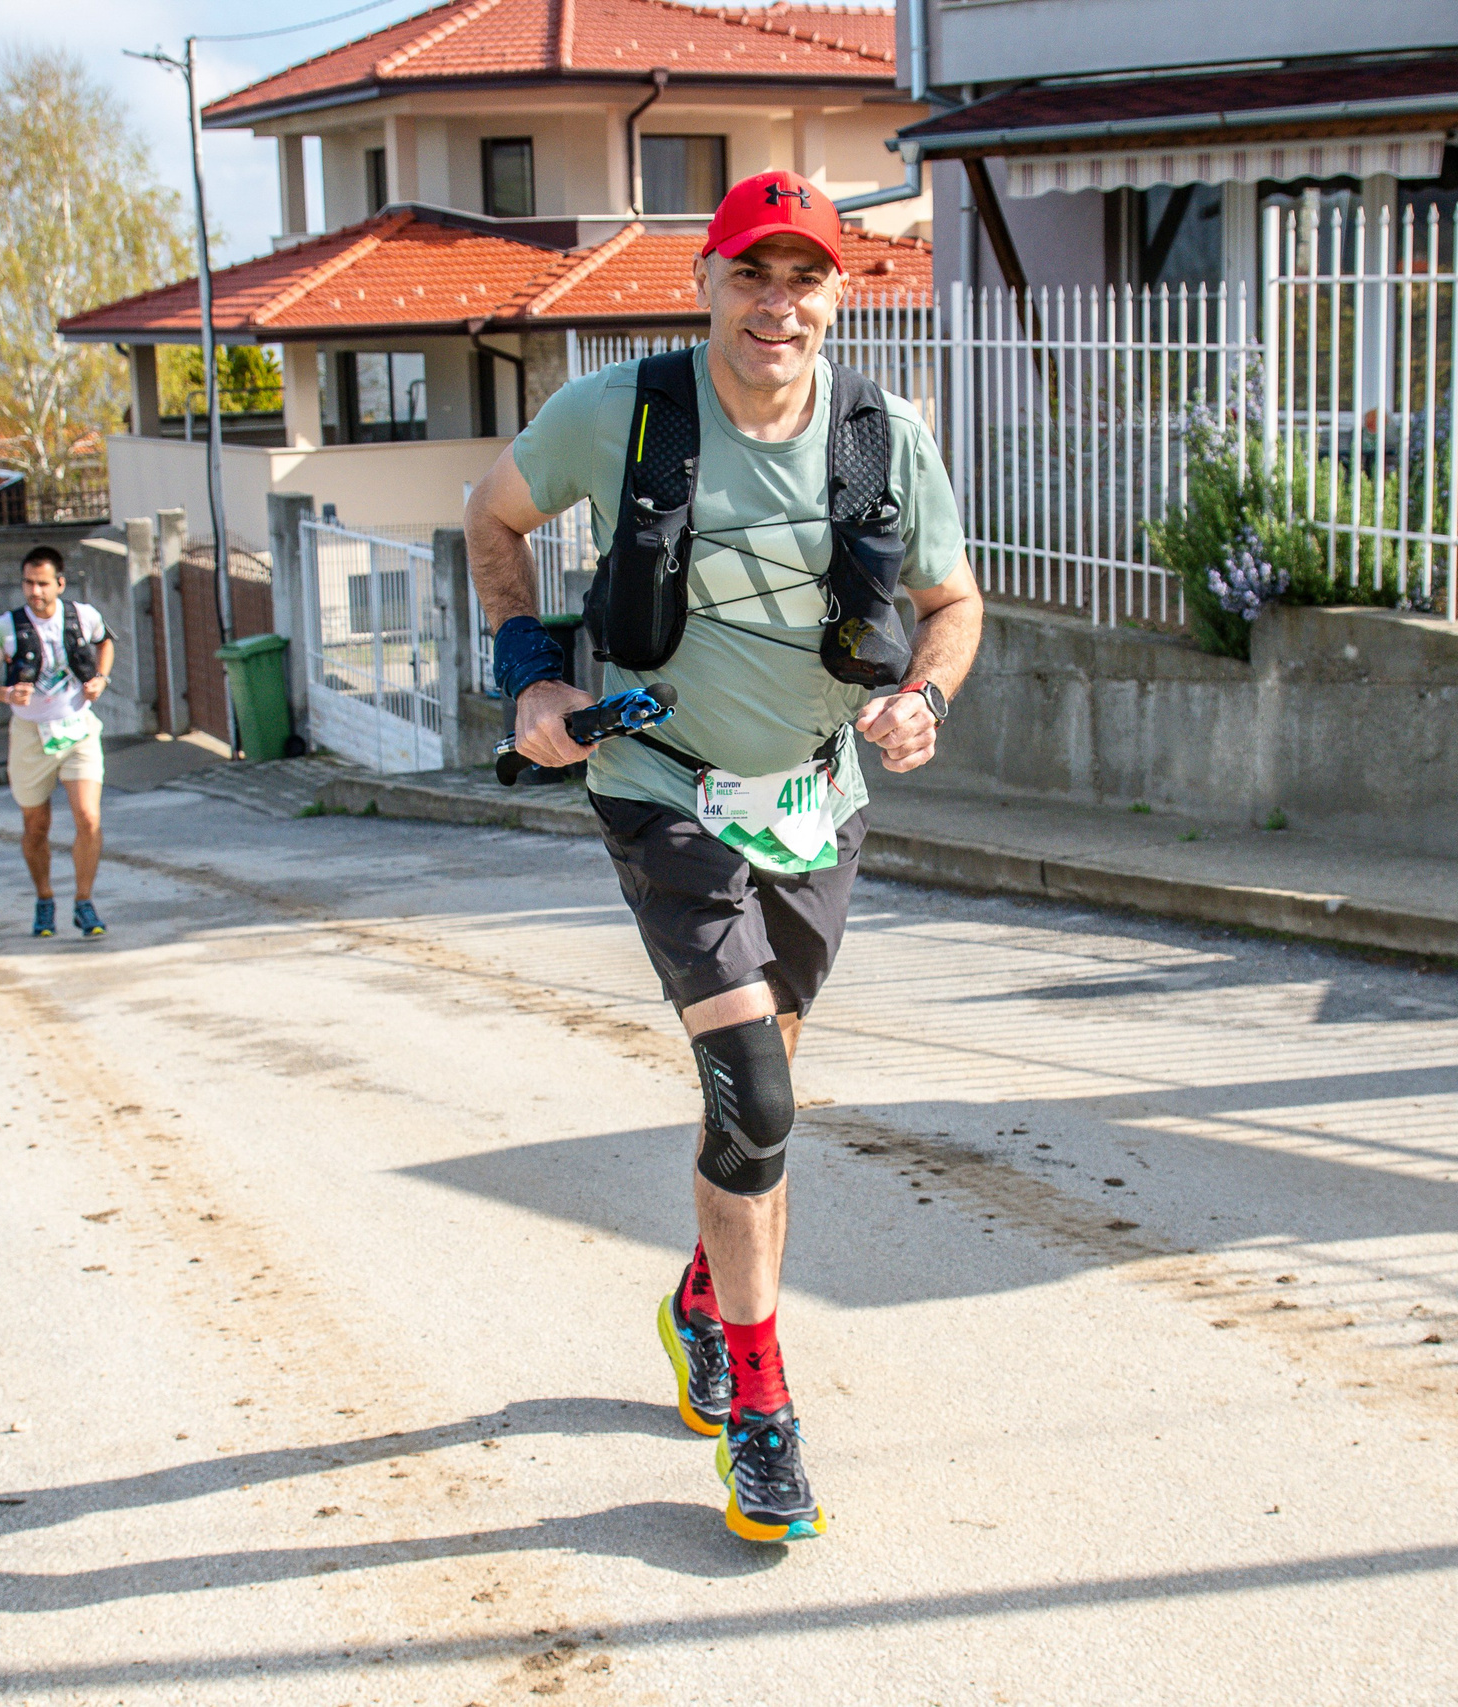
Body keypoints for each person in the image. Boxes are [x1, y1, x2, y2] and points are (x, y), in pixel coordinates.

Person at [462, 170, 983, 1545]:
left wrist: (924, 693)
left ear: (836, 293)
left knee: (765, 1091)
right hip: (661, 786)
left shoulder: (880, 435)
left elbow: (953, 598)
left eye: (803, 276)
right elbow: (491, 514)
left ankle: (706, 1296)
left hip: (818, 799)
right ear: (706, 281)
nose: (778, 302)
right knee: (755, 1093)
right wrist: (527, 679)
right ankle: (761, 1402)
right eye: (753, 272)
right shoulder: (622, 412)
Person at [0, 547, 114, 939]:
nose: (34, 591)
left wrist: (101, 678)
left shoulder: (84, 616)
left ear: (60, 584)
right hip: (30, 735)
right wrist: (4, 696)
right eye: (28, 583)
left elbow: (105, 643)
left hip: (78, 728)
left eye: (42, 583)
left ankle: (84, 902)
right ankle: (44, 897)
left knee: (88, 817)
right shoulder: (6, 627)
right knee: (36, 826)